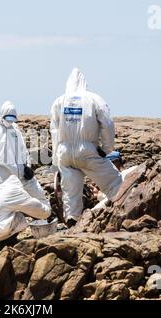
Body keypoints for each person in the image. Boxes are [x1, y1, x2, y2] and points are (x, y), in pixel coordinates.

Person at [50, 68, 123, 227]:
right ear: (84, 83)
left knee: (71, 193)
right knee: (114, 183)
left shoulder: (59, 102)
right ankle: (120, 215)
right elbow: (107, 124)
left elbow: (54, 130)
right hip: (87, 151)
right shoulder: (93, 99)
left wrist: (57, 157)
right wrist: (106, 149)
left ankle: (73, 223)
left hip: (65, 153)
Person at [0, 101, 49, 205]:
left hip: (22, 173)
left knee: (39, 195)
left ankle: (44, 218)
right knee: (8, 203)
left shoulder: (15, 129)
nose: (10, 121)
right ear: (2, 115)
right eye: (8, 118)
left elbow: (23, 150)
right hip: (4, 176)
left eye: (13, 118)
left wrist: (27, 166)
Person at [0, 175, 51, 250]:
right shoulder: (15, 192)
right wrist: (47, 208)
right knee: (19, 216)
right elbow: (41, 211)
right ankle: (6, 242)